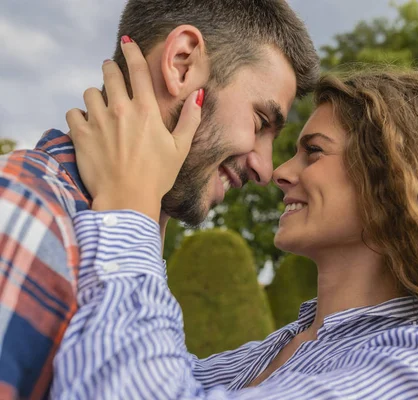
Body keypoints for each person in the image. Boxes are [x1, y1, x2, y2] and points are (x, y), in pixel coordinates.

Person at [51, 41, 418, 399]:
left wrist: (131, 208)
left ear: (397, 180)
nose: (279, 172)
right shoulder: (279, 348)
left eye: (313, 150)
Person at [0, 0, 318, 398]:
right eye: (259, 122)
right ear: (182, 64)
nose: (265, 169)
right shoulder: (24, 209)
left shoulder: (119, 257)